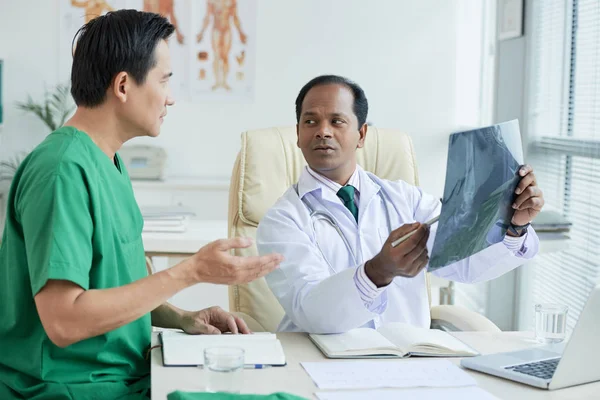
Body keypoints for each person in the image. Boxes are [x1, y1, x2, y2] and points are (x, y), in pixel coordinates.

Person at [0, 10, 282, 400]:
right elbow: (64, 320)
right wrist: (192, 271)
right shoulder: (62, 170)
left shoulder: (109, 162)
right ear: (122, 85)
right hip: (73, 387)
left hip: (131, 374)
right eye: (164, 80)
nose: (170, 97)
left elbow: (115, 292)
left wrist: (182, 318)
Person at [257, 75, 544, 334]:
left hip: (406, 361)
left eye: (337, 121)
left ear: (362, 135)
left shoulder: (407, 200)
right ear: (298, 135)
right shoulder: (282, 220)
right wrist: (375, 273)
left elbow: (465, 264)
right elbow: (310, 311)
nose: (323, 131)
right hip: (320, 364)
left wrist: (514, 227)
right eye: (310, 122)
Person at [196, 0, 247, 91]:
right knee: (216, 55)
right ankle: (217, 82)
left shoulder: (232, 1)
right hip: (216, 30)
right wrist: (201, 32)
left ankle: (224, 82)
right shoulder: (211, 1)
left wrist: (241, 33)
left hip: (227, 30)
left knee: (225, 56)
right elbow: (207, 17)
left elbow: (235, 17)